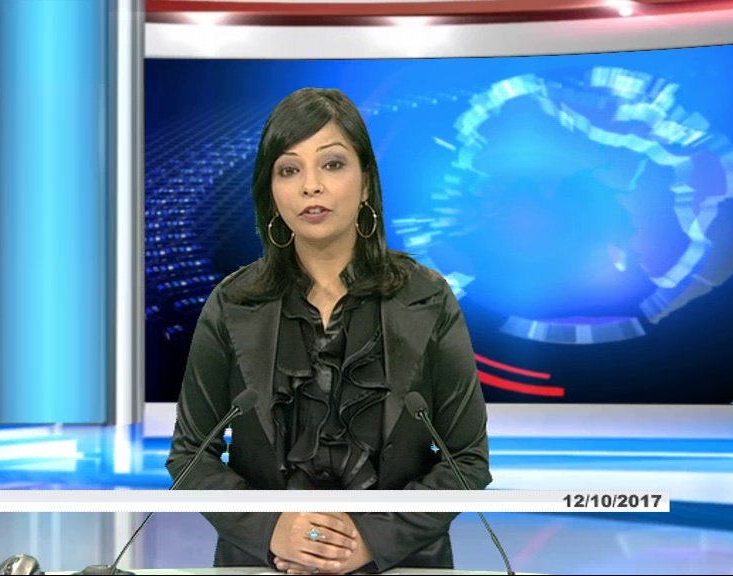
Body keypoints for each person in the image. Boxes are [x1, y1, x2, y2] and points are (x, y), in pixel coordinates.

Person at [166, 87, 492, 575]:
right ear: (271, 192)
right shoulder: (234, 303)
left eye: (332, 164)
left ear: (366, 184)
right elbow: (190, 455)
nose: (310, 186)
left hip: (398, 566)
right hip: (264, 566)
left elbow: (467, 459)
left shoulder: (426, 298)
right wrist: (272, 530)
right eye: (289, 170)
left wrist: (368, 541)